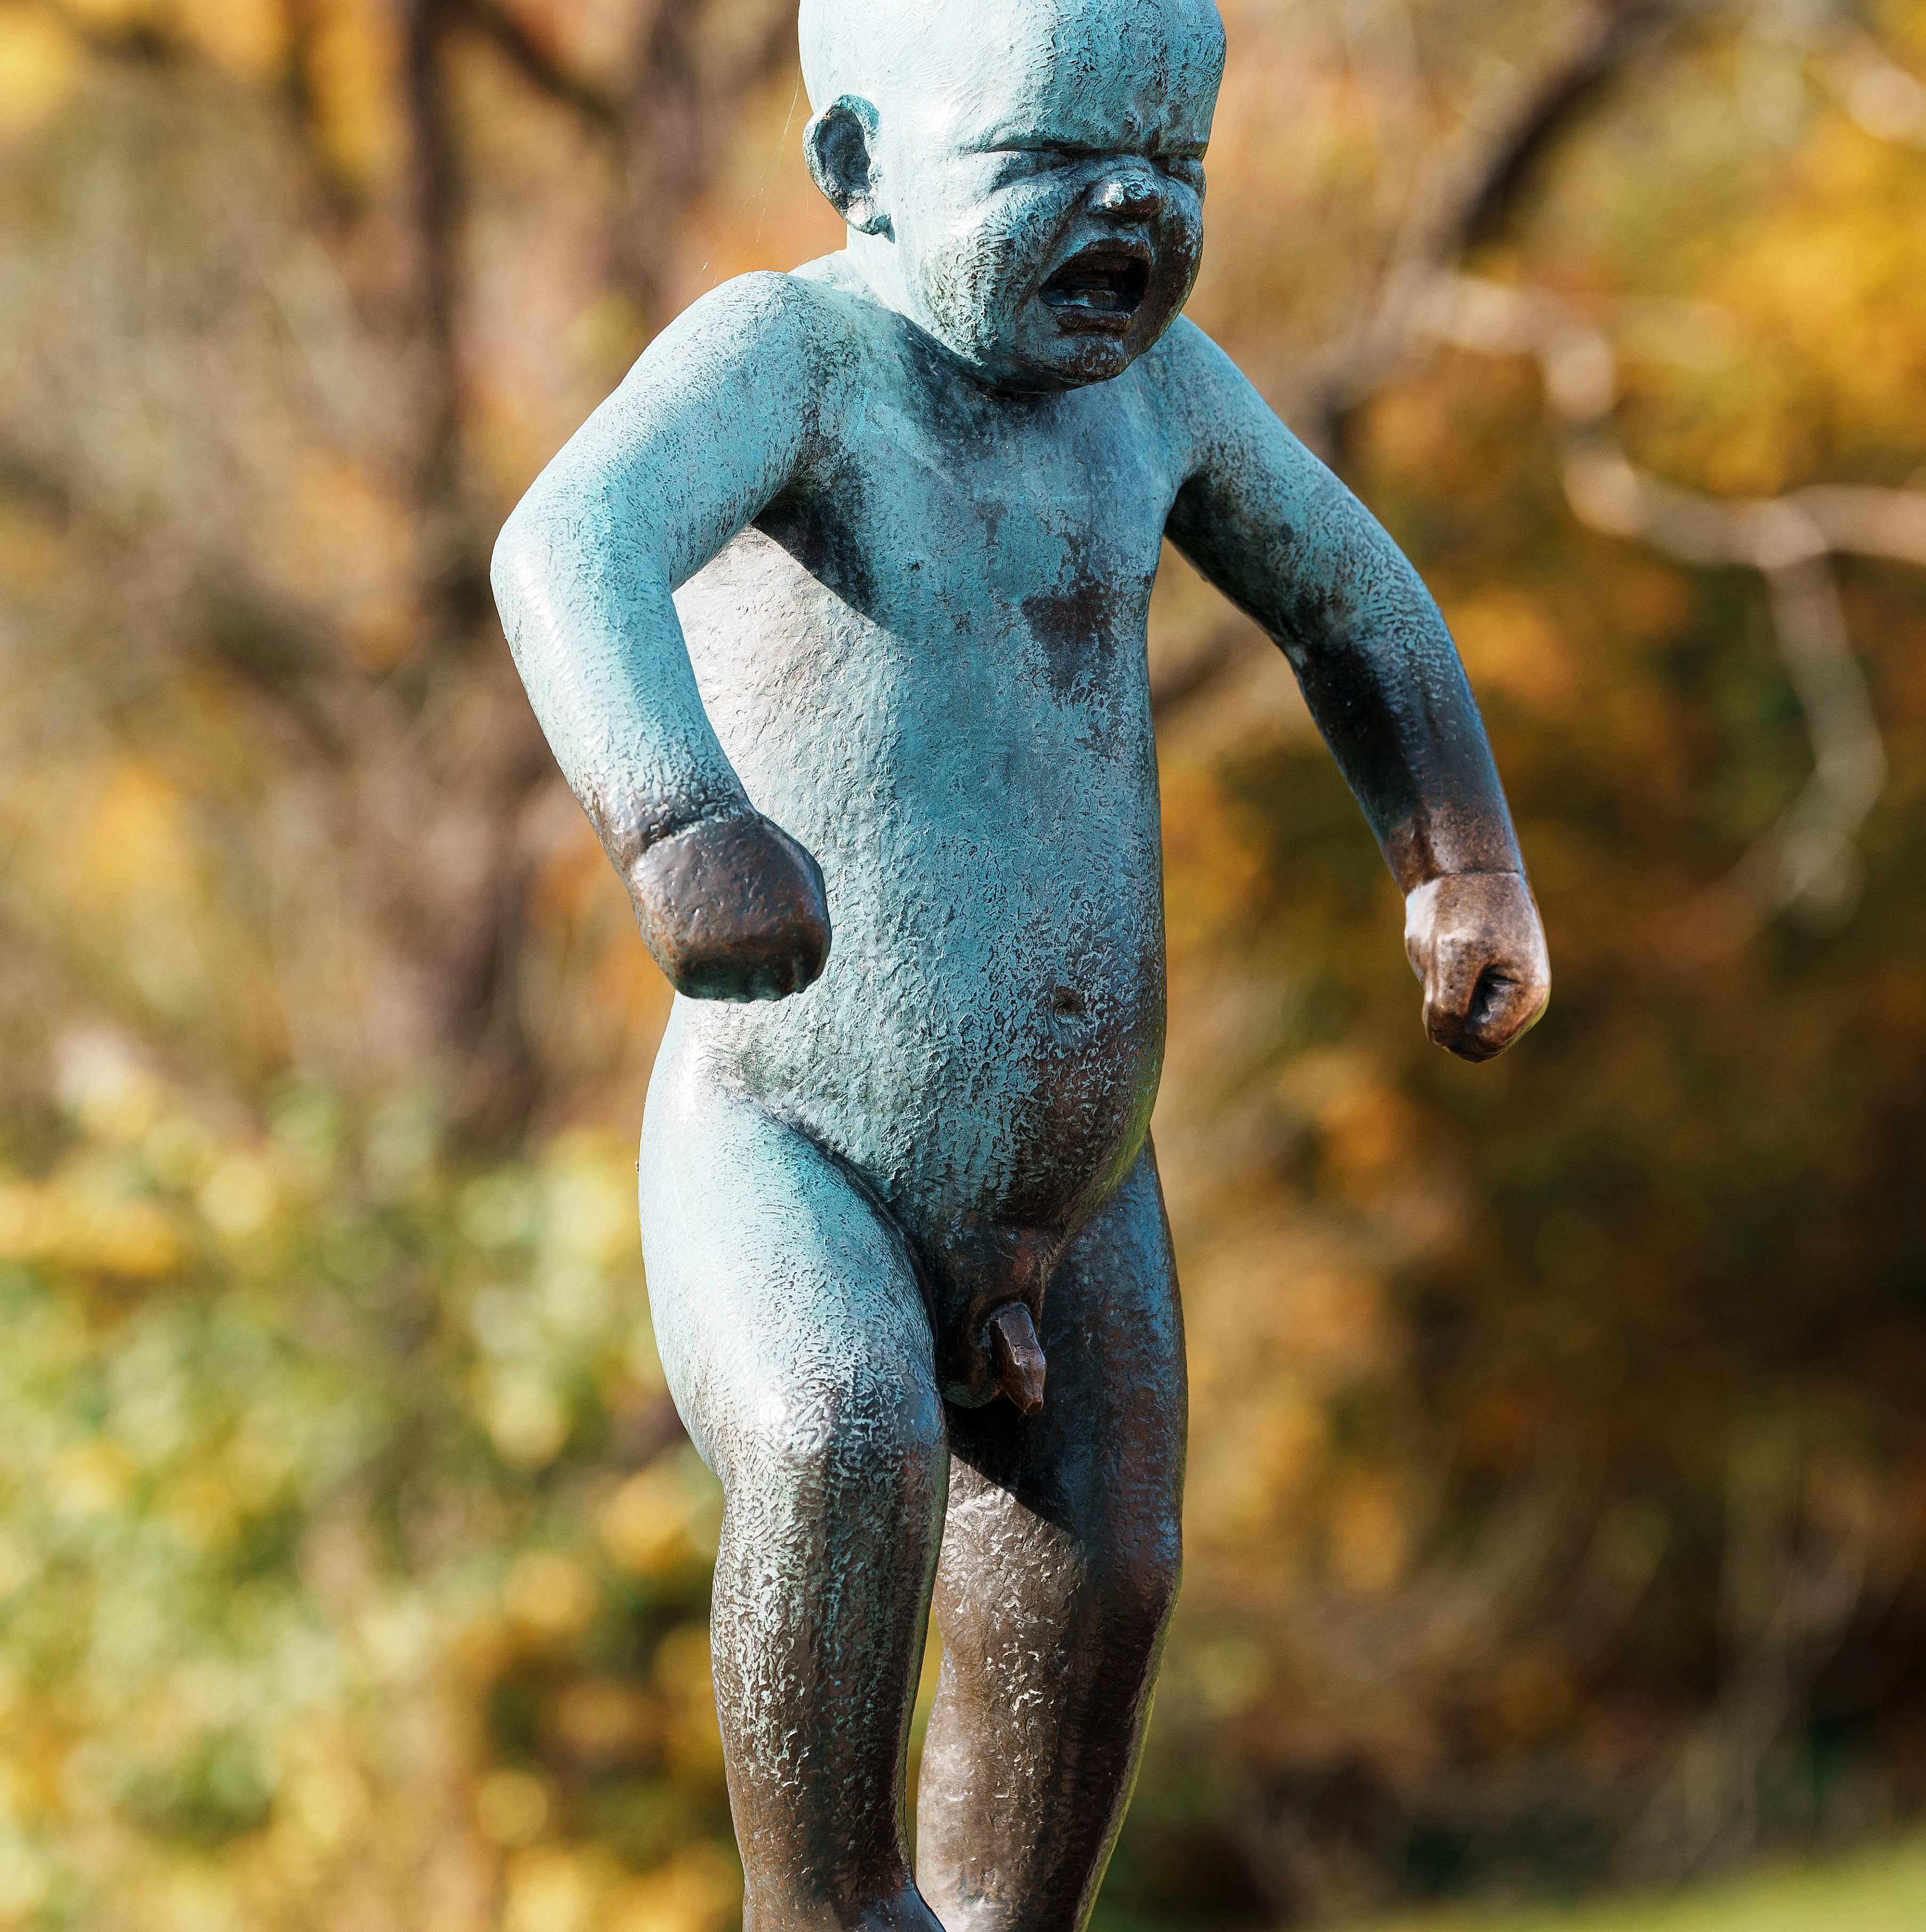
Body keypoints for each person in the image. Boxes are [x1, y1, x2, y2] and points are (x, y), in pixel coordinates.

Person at [491, 1, 1550, 1923]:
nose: (1125, 205)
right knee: (837, 1446)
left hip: (1085, 1181)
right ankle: (823, 1905)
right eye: (1046, 165)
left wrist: (1463, 859)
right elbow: (568, 544)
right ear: (861, 168)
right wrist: (678, 815)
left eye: (1174, 167)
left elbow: (1365, 615)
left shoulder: (1160, 400)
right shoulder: (789, 361)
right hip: (789, 1134)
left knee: (1111, 1573)